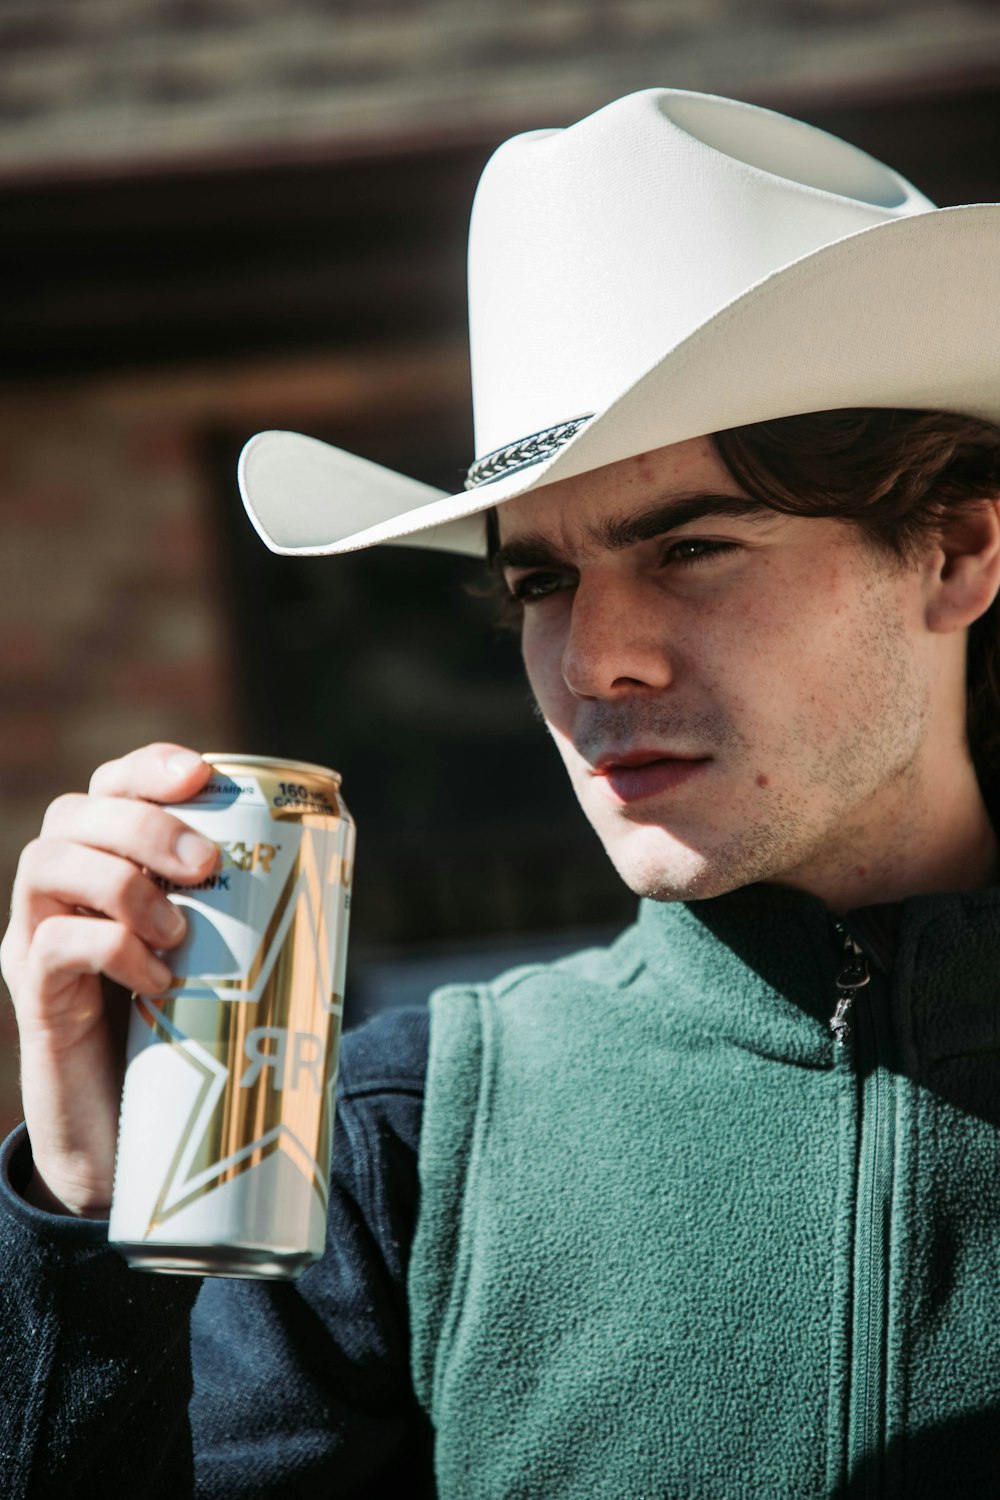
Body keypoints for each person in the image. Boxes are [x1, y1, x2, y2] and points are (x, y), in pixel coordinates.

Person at [2, 87, 1000, 1499]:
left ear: (956, 553)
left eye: (694, 549)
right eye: (539, 581)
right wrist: (88, 1246)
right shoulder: (397, 1146)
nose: (596, 658)